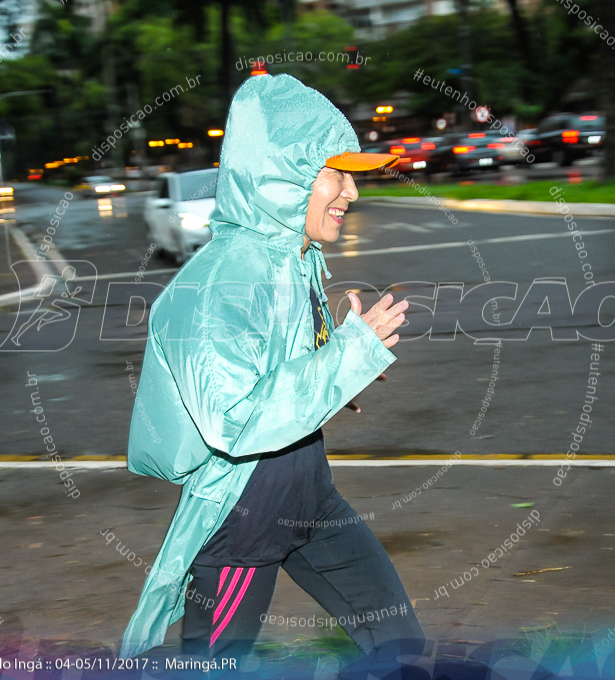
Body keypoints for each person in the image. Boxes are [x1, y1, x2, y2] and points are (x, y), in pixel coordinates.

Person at [119, 74, 425, 675]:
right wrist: (345, 360)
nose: (353, 192)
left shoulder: (294, 257)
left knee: (399, 645)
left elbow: (282, 372)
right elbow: (238, 421)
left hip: (310, 500)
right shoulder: (217, 285)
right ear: (280, 179)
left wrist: (337, 362)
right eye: (337, 173)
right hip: (243, 521)